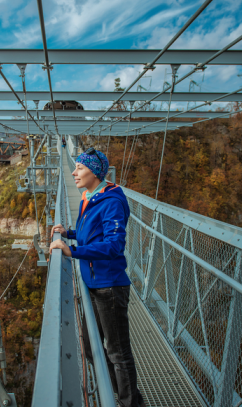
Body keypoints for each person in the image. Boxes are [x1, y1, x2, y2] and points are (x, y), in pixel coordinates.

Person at [49, 147, 144, 407]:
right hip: (92, 281)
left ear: (95, 172)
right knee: (91, 349)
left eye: (79, 167)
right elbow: (92, 233)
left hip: (109, 286)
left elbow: (114, 245)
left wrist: (73, 251)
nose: (74, 171)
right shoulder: (88, 196)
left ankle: (130, 402)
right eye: (76, 166)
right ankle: (124, 394)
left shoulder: (111, 201)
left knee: (117, 352)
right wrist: (69, 233)